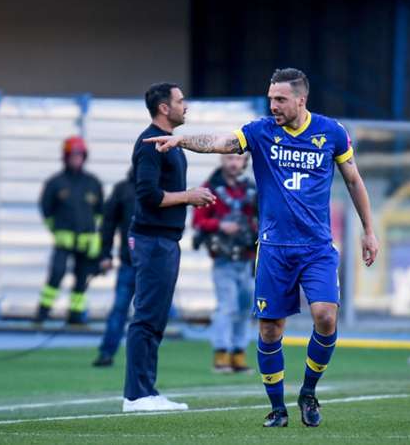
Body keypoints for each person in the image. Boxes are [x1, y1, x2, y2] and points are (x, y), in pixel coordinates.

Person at [145, 68, 379, 427]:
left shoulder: (332, 133)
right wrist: (182, 140)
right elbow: (222, 143)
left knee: (326, 317)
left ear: (301, 100)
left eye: (281, 99)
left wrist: (368, 230)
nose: (274, 106)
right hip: (273, 249)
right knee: (270, 329)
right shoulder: (260, 131)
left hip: (316, 247)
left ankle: (309, 393)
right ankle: (277, 407)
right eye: (271, 99)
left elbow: (353, 179)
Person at [122, 82, 216, 412]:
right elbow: (147, 194)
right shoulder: (151, 145)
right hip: (152, 240)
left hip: (166, 240)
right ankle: (136, 396)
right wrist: (189, 196)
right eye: (180, 100)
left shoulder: (172, 144)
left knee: (156, 318)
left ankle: (146, 390)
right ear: (164, 108)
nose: (185, 105)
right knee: (146, 317)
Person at [192, 154, 257, 374]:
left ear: (244, 162)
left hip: (248, 258)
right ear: (222, 160)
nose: (233, 163)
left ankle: (238, 353)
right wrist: (220, 225)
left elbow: (263, 216)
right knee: (226, 307)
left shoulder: (251, 187)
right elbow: (198, 221)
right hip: (223, 258)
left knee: (245, 308)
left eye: (238, 159)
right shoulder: (210, 187)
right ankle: (221, 354)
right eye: (229, 158)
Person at [37, 136, 103, 325]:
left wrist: (96, 240)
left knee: (81, 279)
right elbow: (46, 210)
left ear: (84, 156)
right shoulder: (55, 183)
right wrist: (56, 231)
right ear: (65, 157)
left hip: (85, 243)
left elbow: (100, 213)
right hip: (63, 242)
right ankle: (42, 312)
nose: (76, 158)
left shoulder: (93, 183)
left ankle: (76, 315)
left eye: (79, 155)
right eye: (72, 155)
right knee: (56, 274)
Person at [92, 170, 136, 367]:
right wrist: (105, 254)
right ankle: (107, 352)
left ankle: (144, 359)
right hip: (129, 261)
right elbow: (108, 223)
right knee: (119, 309)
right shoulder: (123, 190)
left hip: (154, 264)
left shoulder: (163, 186)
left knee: (151, 315)